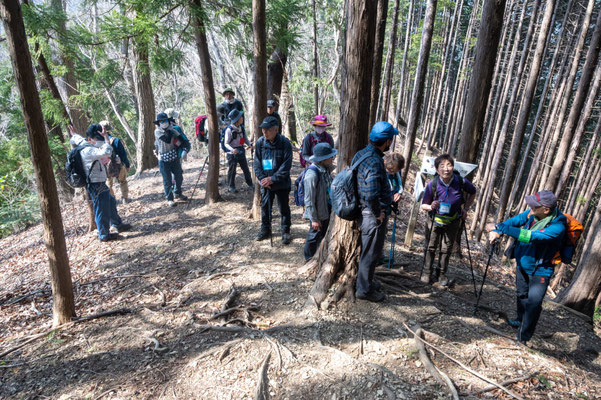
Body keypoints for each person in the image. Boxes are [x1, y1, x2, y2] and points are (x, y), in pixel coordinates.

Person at [486, 190, 566, 345]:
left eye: (535, 206)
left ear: (546, 209)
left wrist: (498, 227)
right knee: (521, 294)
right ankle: (519, 319)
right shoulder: (532, 213)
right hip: (523, 263)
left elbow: (530, 236)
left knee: (534, 303)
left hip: (541, 270)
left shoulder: (558, 227)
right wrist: (498, 230)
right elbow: (515, 221)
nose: (530, 207)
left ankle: (523, 336)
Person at [354, 121, 398, 302]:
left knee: (370, 252)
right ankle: (364, 290)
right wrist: (377, 213)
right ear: (387, 141)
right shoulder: (374, 161)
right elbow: (371, 192)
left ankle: (367, 283)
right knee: (370, 253)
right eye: (391, 139)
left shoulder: (362, 154)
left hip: (365, 212)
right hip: (371, 215)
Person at [420, 154, 476, 286]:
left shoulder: (460, 181)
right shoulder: (432, 184)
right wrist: (431, 206)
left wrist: (466, 208)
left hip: (453, 221)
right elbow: (423, 205)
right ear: (437, 169)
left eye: (449, 165)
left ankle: (441, 275)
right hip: (434, 220)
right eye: (442, 166)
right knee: (430, 247)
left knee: (446, 249)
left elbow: (473, 191)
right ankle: (427, 273)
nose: (446, 169)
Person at [72, 124, 131, 242]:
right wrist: (106, 138)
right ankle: (104, 235)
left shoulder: (85, 143)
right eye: (97, 139)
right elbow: (107, 152)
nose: (99, 142)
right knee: (101, 209)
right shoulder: (87, 149)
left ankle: (117, 224)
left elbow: (77, 138)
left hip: (99, 182)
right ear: (90, 139)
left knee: (110, 202)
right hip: (94, 184)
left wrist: (74, 134)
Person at [254, 116, 293, 244]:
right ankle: (265, 229)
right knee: (265, 207)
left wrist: (273, 178)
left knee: (284, 208)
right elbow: (257, 163)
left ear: (276, 130)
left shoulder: (285, 143)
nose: (264, 132)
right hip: (266, 184)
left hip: (281, 183)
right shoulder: (260, 142)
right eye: (263, 129)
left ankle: (285, 231)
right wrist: (263, 179)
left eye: (267, 130)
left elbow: (286, 166)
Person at [303, 143, 337, 261]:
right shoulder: (312, 174)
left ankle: (318, 258)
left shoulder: (326, 169)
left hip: (326, 208)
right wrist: (314, 219)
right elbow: (309, 199)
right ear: (322, 159)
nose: (332, 158)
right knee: (313, 236)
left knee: (322, 235)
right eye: (330, 156)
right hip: (317, 212)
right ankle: (308, 259)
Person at [154, 112, 189, 207]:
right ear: (158, 123)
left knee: (179, 176)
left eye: (165, 121)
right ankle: (170, 199)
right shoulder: (157, 132)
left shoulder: (173, 130)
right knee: (167, 180)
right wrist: (170, 130)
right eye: (161, 121)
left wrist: (185, 149)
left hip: (174, 157)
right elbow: (167, 139)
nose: (164, 123)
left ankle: (178, 192)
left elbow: (182, 140)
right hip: (163, 159)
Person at [379, 152, 405, 265]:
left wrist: (398, 194)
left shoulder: (395, 174)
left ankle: (379, 256)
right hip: (379, 208)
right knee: (377, 233)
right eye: (391, 169)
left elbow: (399, 186)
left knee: (382, 232)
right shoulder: (380, 171)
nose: (393, 172)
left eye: (395, 170)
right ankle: (375, 259)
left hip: (388, 207)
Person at [99, 120, 131, 204]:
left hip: (106, 167)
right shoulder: (116, 140)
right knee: (123, 181)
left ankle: (113, 200)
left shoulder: (99, 143)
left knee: (108, 184)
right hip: (119, 164)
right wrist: (127, 165)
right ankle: (125, 199)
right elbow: (123, 155)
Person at [223, 109, 253, 193]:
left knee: (245, 169)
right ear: (236, 119)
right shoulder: (229, 130)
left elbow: (245, 139)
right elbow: (226, 143)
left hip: (241, 150)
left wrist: (249, 145)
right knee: (232, 170)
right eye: (240, 117)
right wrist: (233, 150)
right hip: (232, 153)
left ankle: (250, 184)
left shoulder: (241, 127)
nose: (242, 118)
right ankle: (231, 186)